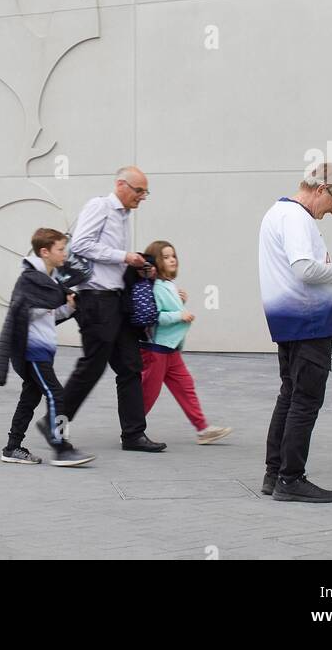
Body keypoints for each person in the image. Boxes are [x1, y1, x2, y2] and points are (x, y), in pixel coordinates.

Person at [259, 163, 332, 503]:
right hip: (308, 323)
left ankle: (274, 475)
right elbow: (303, 268)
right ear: (321, 189)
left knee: (289, 395)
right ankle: (291, 479)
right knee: (305, 401)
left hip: (288, 322)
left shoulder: (277, 213)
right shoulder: (297, 218)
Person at [60, 167, 166, 453]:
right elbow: (81, 244)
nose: (143, 197)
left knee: (130, 367)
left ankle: (133, 434)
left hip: (115, 301)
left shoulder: (123, 216)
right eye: (139, 190)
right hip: (95, 300)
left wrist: (139, 265)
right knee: (91, 367)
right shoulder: (100, 206)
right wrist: (124, 256)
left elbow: (112, 259)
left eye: (146, 192)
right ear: (121, 184)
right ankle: (54, 424)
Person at [0, 227, 95, 467]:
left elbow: (48, 315)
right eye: (60, 250)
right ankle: (62, 448)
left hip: (42, 351)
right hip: (33, 351)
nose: (65, 255)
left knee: (30, 398)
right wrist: (55, 299)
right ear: (44, 251)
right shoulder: (30, 280)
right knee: (56, 394)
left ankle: (12, 447)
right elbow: (22, 313)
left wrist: (68, 307)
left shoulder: (49, 282)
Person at [140, 239, 232, 445]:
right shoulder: (157, 287)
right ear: (156, 261)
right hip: (157, 350)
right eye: (165, 257)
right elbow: (155, 317)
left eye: (173, 256)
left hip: (170, 350)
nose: (172, 260)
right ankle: (131, 428)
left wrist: (180, 302)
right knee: (149, 393)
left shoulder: (168, 285)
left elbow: (168, 308)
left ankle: (202, 429)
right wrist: (179, 315)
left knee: (185, 386)